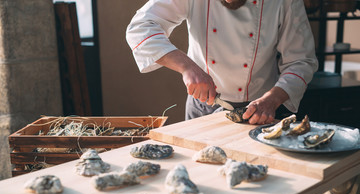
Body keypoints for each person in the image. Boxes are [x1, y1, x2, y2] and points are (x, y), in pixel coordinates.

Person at [126, 0, 318, 124]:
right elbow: (141, 27)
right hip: (202, 107)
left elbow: (301, 60)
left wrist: (273, 99)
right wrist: (187, 66)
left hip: (261, 110)